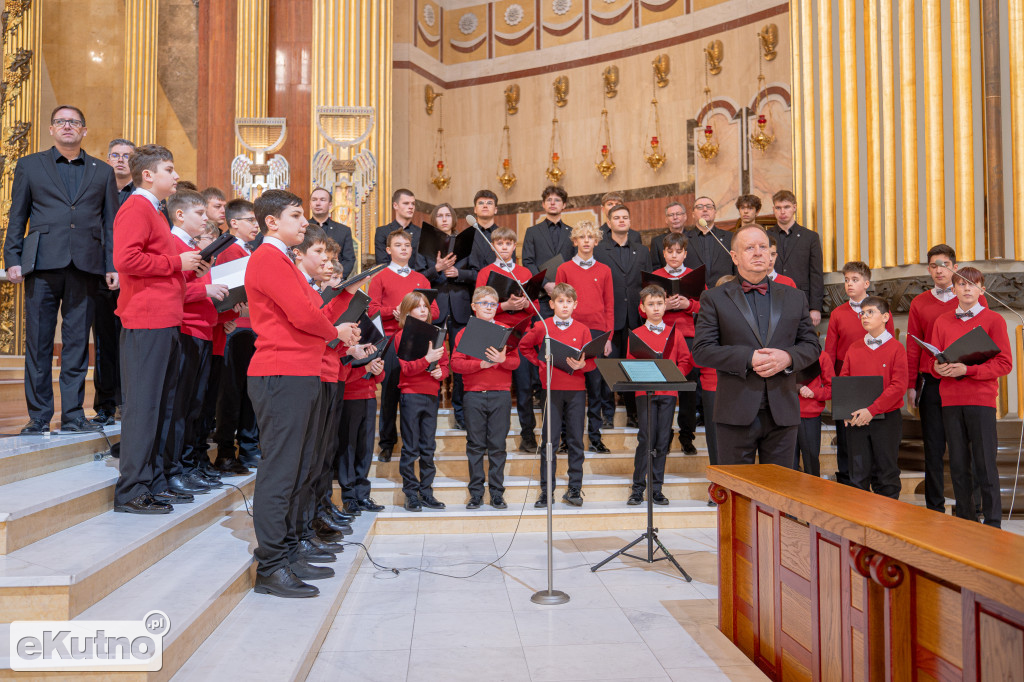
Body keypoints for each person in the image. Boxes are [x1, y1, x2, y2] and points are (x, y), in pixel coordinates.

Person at [246, 189, 359, 598]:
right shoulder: (268, 258)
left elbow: (311, 307)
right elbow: (302, 313)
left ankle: (290, 549)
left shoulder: (284, 260)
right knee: (281, 470)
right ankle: (272, 564)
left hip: (301, 370)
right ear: (271, 221)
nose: (304, 222)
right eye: (296, 215)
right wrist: (336, 332)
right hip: (281, 371)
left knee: (297, 469)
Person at [4, 105, 118, 435]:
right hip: (41, 262)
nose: (67, 126)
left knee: (77, 343)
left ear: (84, 130)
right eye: (61, 122)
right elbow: (17, 216)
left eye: (74, 123)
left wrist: (112, 265)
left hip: (86, 265)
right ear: (52, 129)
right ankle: (39, 416)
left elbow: (110, 224)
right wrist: (13, 258)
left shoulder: (102, 171)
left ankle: (72, 415)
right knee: (38, 342)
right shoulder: (29, 165)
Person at [112, 144, 206, 513]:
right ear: (148, 174)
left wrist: (184, 267)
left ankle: (150, 480)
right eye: (170, 169)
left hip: (164, 318)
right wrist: (175, 261)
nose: (176, 175)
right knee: (143, 407)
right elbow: (127, 260)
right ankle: (131, 489)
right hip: (146, 318)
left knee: (160, 405)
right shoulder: (136, 206)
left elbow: (157, 261)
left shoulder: (153, 210)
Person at [692, 225, 821, 465]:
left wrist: (788, 358)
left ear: (772, 254)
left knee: (778, 492)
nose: (758, 253)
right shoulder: (714, 298)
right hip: (735, 411)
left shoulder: (795, 297)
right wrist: (748, 358)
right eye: (749, 248)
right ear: (734, 256)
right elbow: (702, 351)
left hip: (782, 410)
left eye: (763, 247)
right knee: (736, 492)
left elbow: (812, 345)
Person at [906, 244, 988, 513]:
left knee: (969, 446)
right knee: (933, 446)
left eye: (943, 263)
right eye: (933, 265)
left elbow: (984, 340)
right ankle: (935, 508)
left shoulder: (972, 295)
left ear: (954, 266)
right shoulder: (919, 302)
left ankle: (971, 508)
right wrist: (910, 385)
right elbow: (913, 346)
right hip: (932, 381)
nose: (938, 269)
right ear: (929, 270)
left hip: (966, 382)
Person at [932, 267, 1012, 528]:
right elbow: (934, 359)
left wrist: (969, 369)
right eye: (961, 284)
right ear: (953, 289)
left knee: (985, 463)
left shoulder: (994, 320)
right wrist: (939, 367)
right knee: (957, 463)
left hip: (981, 399)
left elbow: (1004, 364)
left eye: (972, 284)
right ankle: (966, 520)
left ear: (982, 290)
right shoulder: (942, 321)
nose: (967, 288)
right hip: (951, 400)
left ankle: (993, 522)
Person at [161, 189, 226, 498]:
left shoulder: (192, 248)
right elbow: (172, 292)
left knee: (193, 406)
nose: (206, 218)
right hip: (185, 330)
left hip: (203, 330)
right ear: (180, 215)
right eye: (200, 213)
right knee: (178, 407)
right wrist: (207, 292)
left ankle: (186, 466)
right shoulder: (173, 246)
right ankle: (172, 469)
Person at [520, 283, 595, 507]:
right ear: (552, 304)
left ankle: (574, 488)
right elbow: (525, 346)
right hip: (551, 389)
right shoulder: (543, 325)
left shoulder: (583, 329)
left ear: (575, 305)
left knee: (575, 439)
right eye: (560, 301)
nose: (564, 305)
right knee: (550, 442)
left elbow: (592, 361)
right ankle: (547, 490)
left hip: (576, 391)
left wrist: (583, 364)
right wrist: (540, 364)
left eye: (568, 302)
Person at [368, 229, 439, 463]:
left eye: (407, 245)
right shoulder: (379, 277)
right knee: (389, 393)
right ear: (388, 250)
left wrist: (417, 313)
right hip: (390, 341)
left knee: (414, 392)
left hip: (418, 341)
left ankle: (417, 443)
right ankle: (387, 443)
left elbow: (435, 311)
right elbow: (371, 310)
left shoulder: (422, 279)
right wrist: (394, 312)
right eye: (398, 245)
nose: (404, 249)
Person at [824, 261, 895, 485]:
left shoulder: (882, 312)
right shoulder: (837, 313)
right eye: (846, 280)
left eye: (854, 280)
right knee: (847, 438)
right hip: (847, 380)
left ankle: (876, 482)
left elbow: (889, 345)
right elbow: (830, 352)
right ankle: (847, 483)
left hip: (877, 381)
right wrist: (833, 386)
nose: (849, 284)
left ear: (866, 283)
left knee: (876, 437)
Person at [450, 286, 520, 510]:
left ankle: (497, 494)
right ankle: (476, 493)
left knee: (498, 445)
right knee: (476, 445)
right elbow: (456, 364)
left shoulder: (505, 329)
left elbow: (516, 362)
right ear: (474, 307)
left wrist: (502, 359)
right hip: (474, 395)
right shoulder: (464, 332)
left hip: (500, 394)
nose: (489, 308)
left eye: (492, 304)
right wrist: (480, 364)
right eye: (484, 304)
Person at [627, 285, 694, 506]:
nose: (655, 308)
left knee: (663, 440)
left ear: (665, 305)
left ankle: (657, 488)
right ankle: (638, 488)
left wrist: (675, 375)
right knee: (646, 437)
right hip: (644, 393)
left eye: (659, 304)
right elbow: (630, 363)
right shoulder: (636, 335)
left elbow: (685, 361)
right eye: (651, 304)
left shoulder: (675, 333)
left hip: (668, 392)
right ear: (642, 307)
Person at [476, 226, 540, 453]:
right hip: (494, 334)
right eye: (499, 243)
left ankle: (528, 435)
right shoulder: (485, 273)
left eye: (508, 244)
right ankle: (487, 437)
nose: (504, 247)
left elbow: (537, 308)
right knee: (492, 386)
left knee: (524, 388)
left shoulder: (524, 273)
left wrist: (525, 304)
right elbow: (479, 305)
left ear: (514, 247)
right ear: (493, 246)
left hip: (520, 336)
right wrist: (505, 305)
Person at [839, 296, 907, 499]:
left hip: (886, 419)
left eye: (871, 312)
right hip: (856, 418)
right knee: (858, 476)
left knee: (886, 475)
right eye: (862, 313)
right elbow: (845, 379)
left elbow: (898, 386)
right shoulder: (854, 348)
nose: (865, 316)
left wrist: (872, 410)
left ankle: (887, 526)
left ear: (885, 316)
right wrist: (844, 409)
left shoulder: (896, 348)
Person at [640, 232, 701, 453]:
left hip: (687, 337)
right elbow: (641, 308)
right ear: (663, 252)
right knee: (661, 387)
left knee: (687, 388)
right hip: (661, 336)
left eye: (678, 252)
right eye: (669, 251)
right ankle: (662, 436)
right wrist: (662, 304)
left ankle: (687, 435)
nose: (674, 256)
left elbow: (705, 307)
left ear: (685, 253)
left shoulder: (694, 275)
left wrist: (688, 304)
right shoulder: (655, 275)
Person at [213, 200, 262, 475]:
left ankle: (247, 447)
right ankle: (226, 452)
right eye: (250, 220)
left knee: (248, 392)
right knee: (232, 393)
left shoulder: (248, 250)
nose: (256, 225)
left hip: (250, 326)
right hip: (236, 327)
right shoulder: (230, 250)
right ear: (234, 223)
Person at [555, 220, 614, 453]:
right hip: (570, 331)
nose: (587, 241)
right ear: (575, 241)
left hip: (598, 333)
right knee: (568, 384)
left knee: (596, 388)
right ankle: (565, 438)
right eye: (582, 237)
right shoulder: (565, 269)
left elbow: (609, 305)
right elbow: (560, 303)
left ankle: (595, 437)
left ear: (597, 241)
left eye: (591, 237)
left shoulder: (605, 270)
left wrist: (608, 337)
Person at [91, 138, 136, 428]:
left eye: (126, 156)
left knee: (129, 344)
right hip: (99, 277)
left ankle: (127, 402)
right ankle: (105, 405)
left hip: (132, 279)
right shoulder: (95, 192)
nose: (120, 160)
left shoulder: (142, 196)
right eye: (114, 155)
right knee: (104, 344)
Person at [594, 203, 652, 428]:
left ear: (629, 221)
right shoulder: (599, 250)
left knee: (633, 367)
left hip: (636, 317)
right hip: (610, 317)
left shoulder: (642, 250)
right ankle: (607, 415)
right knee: (610, 367)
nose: (621, 221)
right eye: (616, 217)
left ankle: (633, 413)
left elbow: (647, 284)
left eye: (625, 217)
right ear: (608, 223)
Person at [395, 291, 449, 512]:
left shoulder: (437, 334)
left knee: (428, 447)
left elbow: (445, 364)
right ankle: (411, 493)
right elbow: (406, 369)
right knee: (410, 448)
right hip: (411, 394)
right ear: (407, 311)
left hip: (431, 394)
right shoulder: (401, 335)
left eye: (425, 306)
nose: (423, 309)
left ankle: (426, 492)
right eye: (417, 306)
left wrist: (441, 373)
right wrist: (426, 360)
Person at [425, 201, 475, 430]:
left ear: (453, 219)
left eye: (448, 215)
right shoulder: (426, 244)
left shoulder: (466, 242)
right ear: (434, 219)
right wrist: (436, 269)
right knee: (432, 359)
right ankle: (430, 411)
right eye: (440, 215)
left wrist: (459, 272)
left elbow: (477, 273)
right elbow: (419, 276)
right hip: (435, 307)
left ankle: (462, 414)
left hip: (461, 307)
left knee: (461, 361)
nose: (444, 219)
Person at [767, 190, 824, 326]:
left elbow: (816, 274)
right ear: (773, 210)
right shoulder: (765, 236)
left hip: (801, 298)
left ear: (794, 207)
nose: (782, 211)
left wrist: (815, 308)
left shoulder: (810, 237)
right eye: (778, 208)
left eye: (786, 207)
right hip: (769, 298)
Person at [339, 355, 386, 516]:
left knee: (365, 449)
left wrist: (378, 370)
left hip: (369, 397)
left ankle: (362, 495)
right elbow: (342, 375)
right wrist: (364, 368)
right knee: (348, 448)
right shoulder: (346, 346)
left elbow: (380, 377)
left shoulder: (371, 346)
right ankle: (349, 497)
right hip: (349, 397)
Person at [522, 185, 575, 319]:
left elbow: (575, 262)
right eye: (549, 200)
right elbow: (527, 261)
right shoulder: (532, 232)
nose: (552, 203)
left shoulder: (573, 232)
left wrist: (562, 286)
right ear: (543, 205)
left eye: (557, 200)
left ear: (564, 205)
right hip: (541, 295)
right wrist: (545, 284)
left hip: (566, 296)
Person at [795, 350, 832, 477]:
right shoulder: (782, 353)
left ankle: (812, 495)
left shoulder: (822, 356)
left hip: (809, 416)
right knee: (786, 466)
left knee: (811, 464)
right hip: (783, 416)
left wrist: (814, 392)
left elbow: (832, 388)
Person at [685, 196, 734, 288]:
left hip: (725, 292)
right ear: (693, 214)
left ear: (715, 212)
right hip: (694, 295)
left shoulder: (730, 237)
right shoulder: (684, 239)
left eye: (709, 207)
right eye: (699, 207)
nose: (704, 209)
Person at [308, 187, 356, 278]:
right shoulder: (303, 227)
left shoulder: (344, 230)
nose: (318, 203)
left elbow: (349, 260)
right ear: (310, 204)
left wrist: (335, 276)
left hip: (334, 282)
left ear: (330, 205)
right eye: (314, 200)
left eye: (322, 200)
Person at [373, 188, 424, 270]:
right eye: (406, 203)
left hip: (415, 279)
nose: (411, 207)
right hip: (390, 279)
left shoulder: (421, 233)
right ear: (395, 205)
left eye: (413, 204)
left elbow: (422, 266)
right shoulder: (382, 232)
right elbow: (382, 264)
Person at [650, 202, 687, 270]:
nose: (675, 217)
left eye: (678, 214)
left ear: (685, 216)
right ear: (666, 220)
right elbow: (655, 268)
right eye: (671, 215)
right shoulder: (657, 242)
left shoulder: (695, 239)